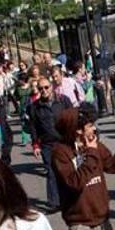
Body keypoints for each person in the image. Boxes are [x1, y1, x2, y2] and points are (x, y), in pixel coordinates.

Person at [28, 77, 73, 207]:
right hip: (47, 144)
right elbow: (33, 127)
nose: (44, 90)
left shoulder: (63, 100)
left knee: (68, 170)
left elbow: (73, 118)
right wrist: (35, 145)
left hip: (65, 142)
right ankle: (54, 202)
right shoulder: (35, 107)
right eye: (41, 88)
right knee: (51, 172)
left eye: (46, 87)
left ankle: (71, 198)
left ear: (51, 87)